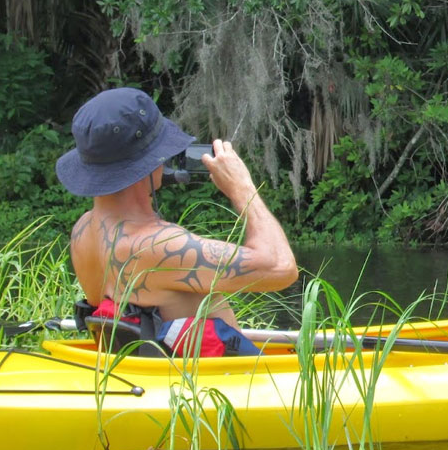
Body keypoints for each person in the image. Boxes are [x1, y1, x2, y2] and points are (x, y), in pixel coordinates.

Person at [55, 87, 298, 355]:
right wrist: (242, 187)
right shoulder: (157, 245)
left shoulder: (83, 231)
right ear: (149, 162)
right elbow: (281, 267)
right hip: (212, 387)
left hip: (147, 379)